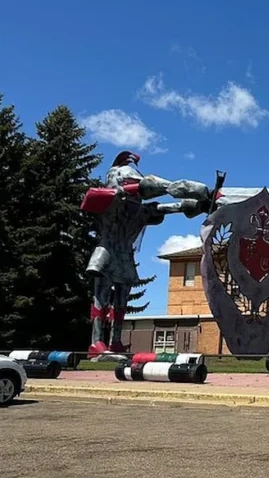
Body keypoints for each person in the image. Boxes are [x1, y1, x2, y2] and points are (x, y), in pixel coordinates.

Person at [81, 151, 212, 356]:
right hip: (106, 251)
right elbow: (95, 198)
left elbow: (171, 208)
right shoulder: (109, 201)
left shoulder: (138, 211)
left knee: (122, 300)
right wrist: (169, 187)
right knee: (101, 297)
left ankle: (115, 340)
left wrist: (201, 204)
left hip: (125, 254)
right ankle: (96, 342)